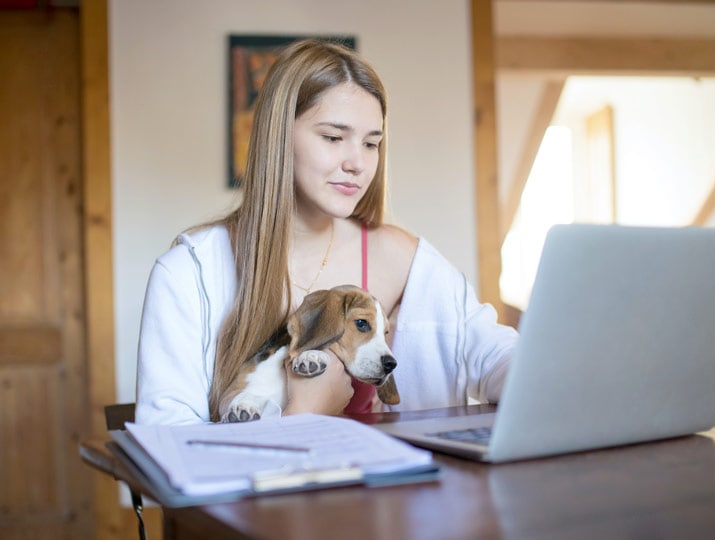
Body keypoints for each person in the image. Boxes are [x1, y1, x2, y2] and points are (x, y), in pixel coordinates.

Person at [135, 39, 517, 425]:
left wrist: (550, 373)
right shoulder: (189, 273)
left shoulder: (406, 262)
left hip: (386, 485)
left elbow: (497, 357)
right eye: (333, 137)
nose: (358, 163)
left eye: (371, 143)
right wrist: (304, 413)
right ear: (279, 136)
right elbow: (168, 446)